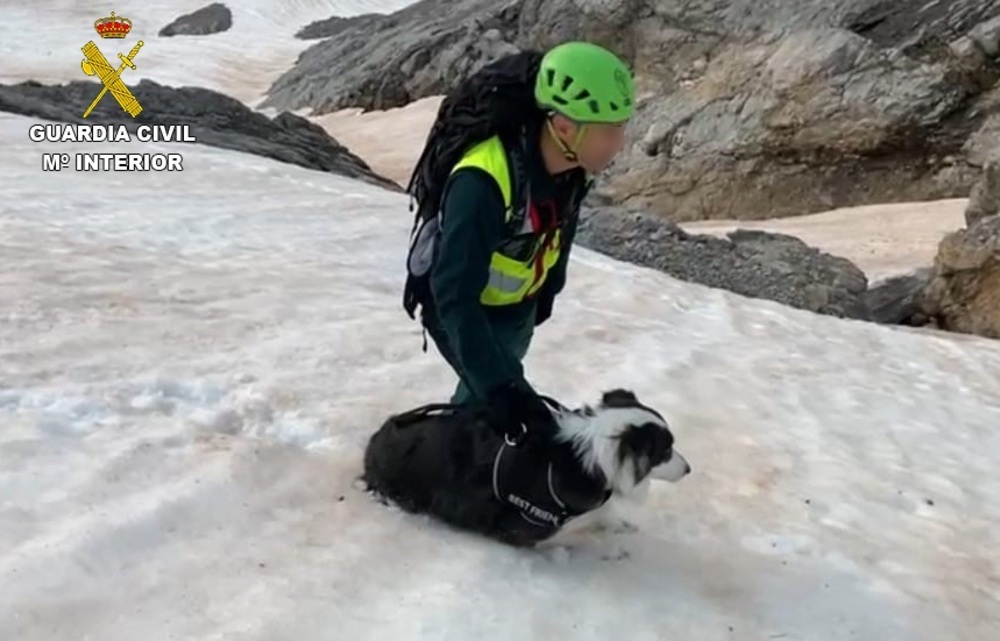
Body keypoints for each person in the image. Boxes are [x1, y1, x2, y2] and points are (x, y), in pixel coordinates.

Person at [406, 41, 636, 442]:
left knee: (486, 391)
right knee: (492, 392)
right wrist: (502, 389)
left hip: (516, 308)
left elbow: (561, 229)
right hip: (460, 309)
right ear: (564, 126)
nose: (618, 144)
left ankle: (467, 448)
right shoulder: (482, 182)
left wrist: (546, 293)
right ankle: (446, 465)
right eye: (609, 131)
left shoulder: (573, 166)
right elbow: (454, 293)